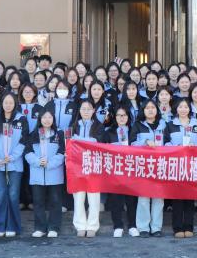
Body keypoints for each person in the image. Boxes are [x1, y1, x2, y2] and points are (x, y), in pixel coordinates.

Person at [0, 92, 27, 238]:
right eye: (6, 102)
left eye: (11, 102)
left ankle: (12, 226)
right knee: (1, 195)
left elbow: (24, 140)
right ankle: (0, 226)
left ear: (15, 104)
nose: (8, 105)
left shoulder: (21, 119)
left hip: (14, 164)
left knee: (13, 195)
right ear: (2, 103)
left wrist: (12, 157)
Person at [26, 109, 65, 238]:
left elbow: (62, 152)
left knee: (55, 201)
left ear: (53, 119)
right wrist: (38, 161)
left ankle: (54, 227)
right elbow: (28, 152)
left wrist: (50, 163)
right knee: (38, 202)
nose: (47, 120)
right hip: (37, 174)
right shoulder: (33, 134)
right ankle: (40, 228)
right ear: (40, 119)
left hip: (54, 173)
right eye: (44, 117)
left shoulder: (59, 134)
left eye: (49, 117)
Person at [130, 99, 166, 237]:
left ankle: (156, 227)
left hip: (160, 164)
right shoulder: (138, 125)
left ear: (157, 110)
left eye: (153, 107)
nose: (150, 110)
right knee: (143, 197)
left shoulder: (163, 124)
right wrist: (145, 142)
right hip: (143, 165)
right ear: (143, 111)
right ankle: (143, 227)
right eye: (147, 108)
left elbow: (169, 143)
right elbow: (132, 143)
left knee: (159, 197)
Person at [70, 99, 104, 237]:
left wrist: (79, 141)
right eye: (83, 109)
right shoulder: (74, 125)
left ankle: (92, 226)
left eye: (89, 109)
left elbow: (99, 143)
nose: (86, 111)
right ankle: (80, 225)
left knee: (93, 196)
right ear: (79, 110)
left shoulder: (99, 126)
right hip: (77, 165)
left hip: (94, 164)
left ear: (93, 111)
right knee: (78, 196)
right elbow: (70, 142)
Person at [165, 98, 197, 238]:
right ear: (176, 109)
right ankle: (177, 227)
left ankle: (189, 226)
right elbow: (165, 143)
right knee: (177, 197)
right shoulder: (170, 124)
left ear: (189, 109)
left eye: (186, 107)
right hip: (176, 164)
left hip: (192, 164)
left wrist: (195, 146)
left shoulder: (196, 124)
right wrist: (176, 147)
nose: (183, 109)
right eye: (180, 107)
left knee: (190, 197)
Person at [103, 105, 136, 237]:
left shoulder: (133, 130)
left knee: (131, 200)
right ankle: (117, 226)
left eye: (124, 115)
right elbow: (103, 150)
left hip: (131, 169)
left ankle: (132, 225)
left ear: (128, 117)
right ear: (115, 117)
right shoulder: (108, 132)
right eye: (118, 115)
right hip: (114, 170)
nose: (121, 118)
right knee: (116, 200)